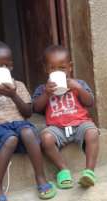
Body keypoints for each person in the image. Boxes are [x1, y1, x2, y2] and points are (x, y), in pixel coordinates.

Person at [0, 40, 56, 201]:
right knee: (10, 138)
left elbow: (28, 113)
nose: (0, 69)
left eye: (4, 66)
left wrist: (13, 95)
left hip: (19, 126)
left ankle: (41, 178)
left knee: (28, 131)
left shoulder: (19, 86)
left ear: (11, 67)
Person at [33, 45, 99, 188]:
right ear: (46, 69)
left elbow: (90, 102)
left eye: (62, 68)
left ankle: (89, 172)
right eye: (52, 68)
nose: (58, 72)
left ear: (70, 67)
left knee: (92, 132)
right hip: (57, 128)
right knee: (45, 137)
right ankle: (63, 169)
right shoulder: (43, 89)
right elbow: (36, 108)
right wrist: (46, 93)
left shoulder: (79, 83)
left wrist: (79, 88)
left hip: (80, 124)